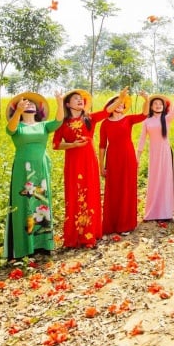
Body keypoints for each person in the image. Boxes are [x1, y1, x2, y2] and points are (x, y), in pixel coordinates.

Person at [54, 89, 117, 248]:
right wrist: (72, 145)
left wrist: (120, 98)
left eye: (81, 99)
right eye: (75, 99)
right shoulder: (62, 122)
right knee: (75, 195)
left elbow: (106, 111)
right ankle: (74, 236)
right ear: (68, 104)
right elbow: (56, 144)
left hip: (89, 161)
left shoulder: (89, 118)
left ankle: (90, 234)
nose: (80, 100)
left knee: (90, 194)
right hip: (73, 162)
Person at [5, 91, 64, 260]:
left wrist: (60, 103)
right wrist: (18, 112)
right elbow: (10, 129)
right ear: (17, 108)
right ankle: (24, 247)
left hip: (41, 167)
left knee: (42, 201)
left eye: (32, 103)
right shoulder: (17, 126)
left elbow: (59, 121)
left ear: (38, 109)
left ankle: (43, 245)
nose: (29, 104)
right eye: (24, 103)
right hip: (22, 170)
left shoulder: (43, 125)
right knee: (24, 203)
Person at [99, 88, 148, 235]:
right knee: (113, 190)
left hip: (128, 157)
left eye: (122, 103)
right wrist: (101, 166)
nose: (120, 105)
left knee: (127, 188)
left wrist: (147, 99)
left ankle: (125, 225)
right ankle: (112, 224)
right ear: (110, 106)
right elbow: (102, 146)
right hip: (113, 158)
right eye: (116, 102)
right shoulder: (105, 124)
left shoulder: (128, 119)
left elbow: (144, 115)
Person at [137, 86, 174, 221]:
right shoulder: (146, 121)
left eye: (160, 104)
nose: (158, 105)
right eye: (155, 104)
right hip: (154, 155)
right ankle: (153, 212)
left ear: (163, 106)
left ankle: (167, 213)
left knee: (166, 180)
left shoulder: (166, 119)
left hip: (166, 154)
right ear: (151, 107)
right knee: (154, 181)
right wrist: (137, 158)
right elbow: (142, 141)